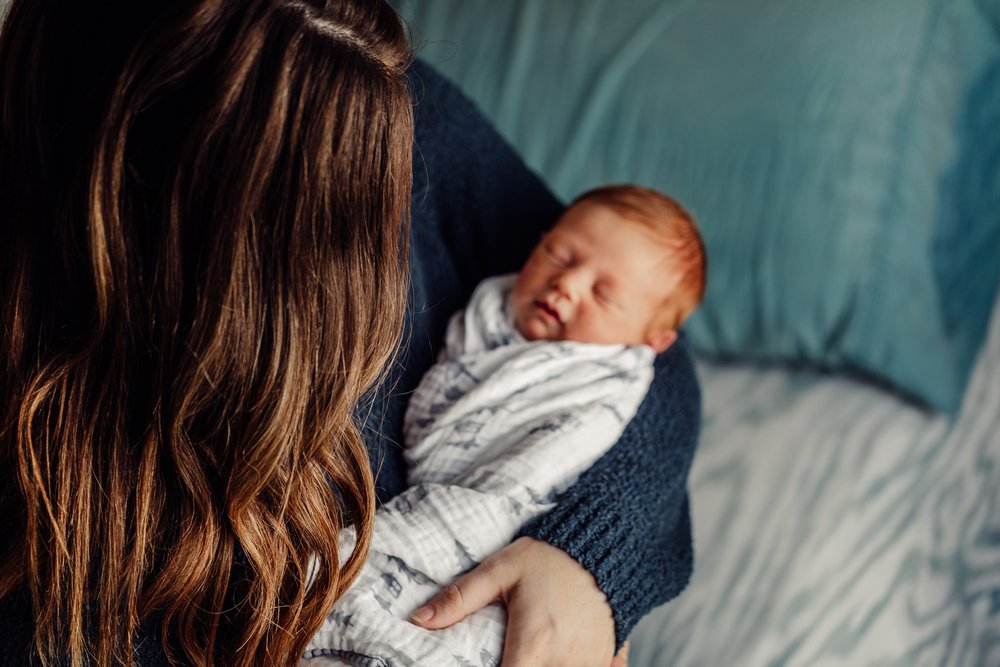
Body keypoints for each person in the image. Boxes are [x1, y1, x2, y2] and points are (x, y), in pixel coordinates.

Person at [0, 0, 701, 664]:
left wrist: (586, 559)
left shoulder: (368, 76)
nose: (383, 254)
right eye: (346, 226)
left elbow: (643, 337)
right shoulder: (68, 568)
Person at [304, 185, 706, 665]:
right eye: (556, 254)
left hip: (500, 535)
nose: (567, 284)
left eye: (603, 294)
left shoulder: (599, 391)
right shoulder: (492, 310)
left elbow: (507, 497)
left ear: (654, 341)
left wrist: (343, 560)